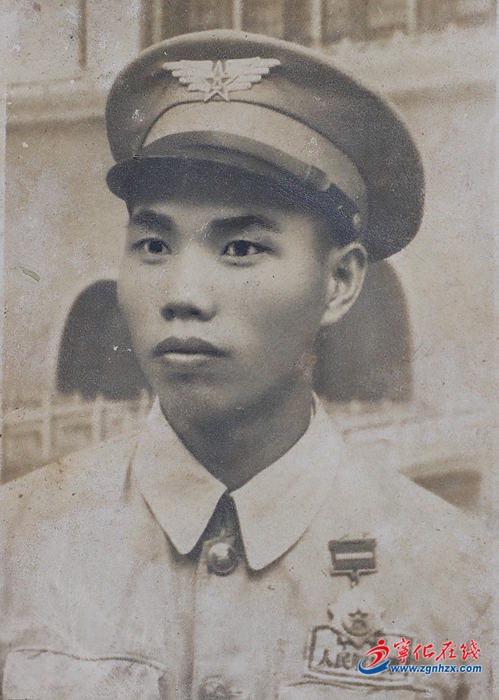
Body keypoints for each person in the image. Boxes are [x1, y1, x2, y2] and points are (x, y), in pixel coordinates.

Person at [0, 30, 490, 699]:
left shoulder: (457, 586)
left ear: (340, 281)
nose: (182, 294)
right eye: (153, 244)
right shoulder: (19, 543)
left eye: (240, 248)